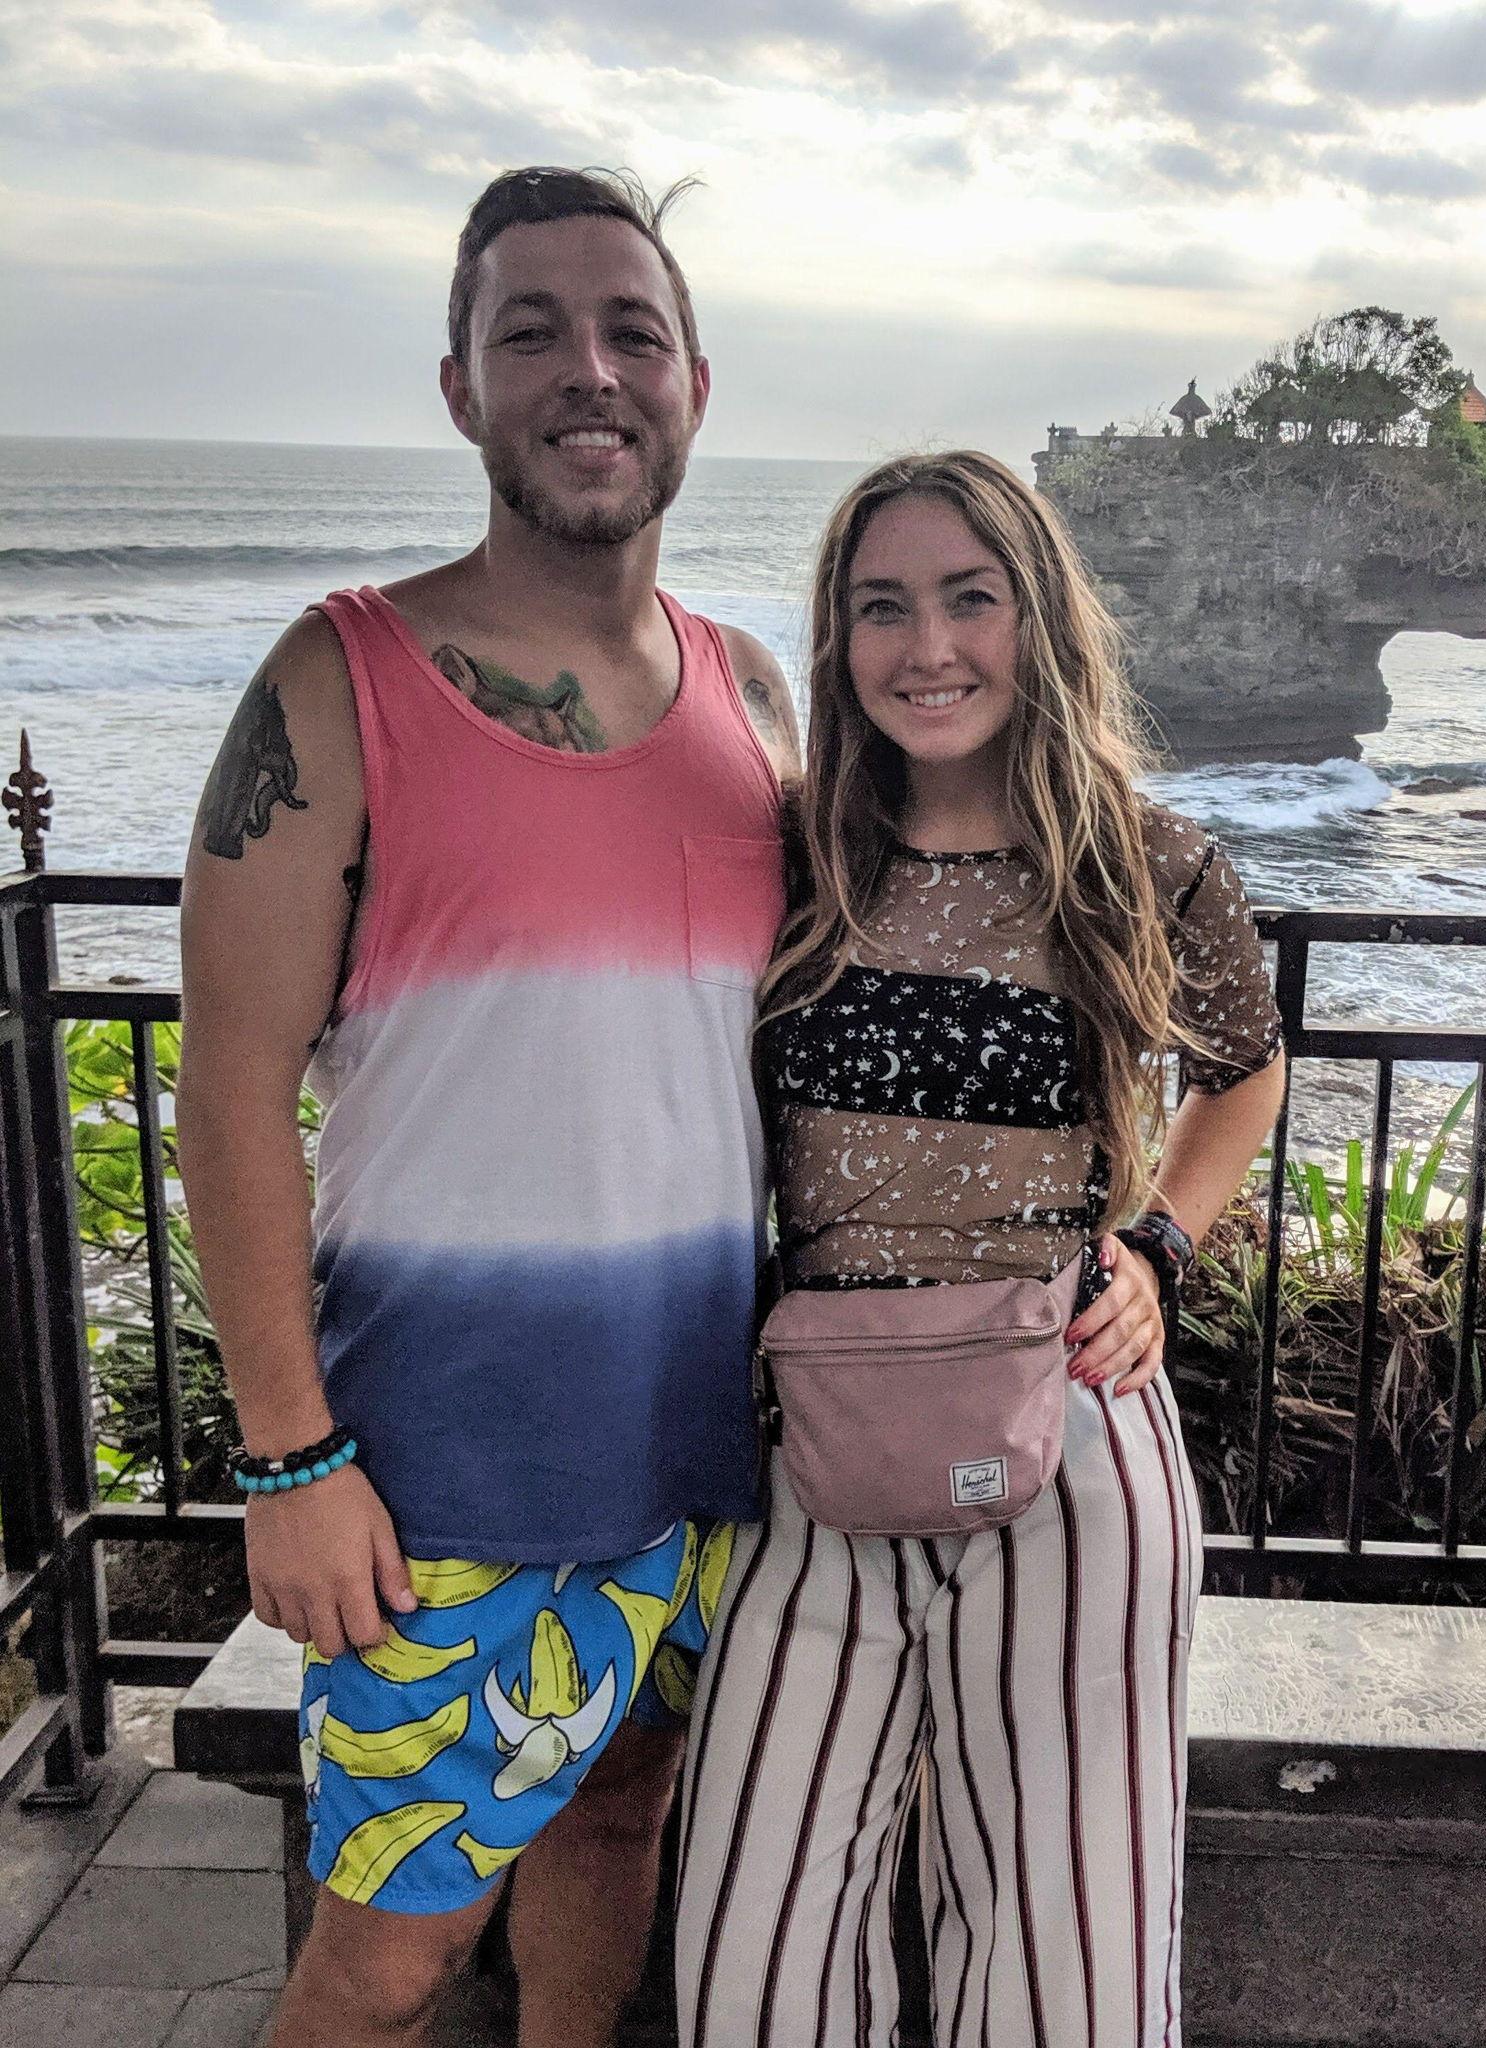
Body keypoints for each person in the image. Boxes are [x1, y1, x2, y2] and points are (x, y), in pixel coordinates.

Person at [177, 166, 803, 2047]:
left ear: (696, 383)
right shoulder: (338, 682)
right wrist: (288, 1461)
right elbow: (227, 1096)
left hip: (702, 1457)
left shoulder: (757, 696)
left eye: (631, 331)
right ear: (460, 388)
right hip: (442, 1476)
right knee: (389, 1964)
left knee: (615, 1829)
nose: (587, 370)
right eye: (530, 331)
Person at [672, 450, 1287, 2044]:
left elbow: (1245, 1066)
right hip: (814, 1446)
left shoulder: (1145, 864)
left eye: (970, 598)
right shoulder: (790, 854)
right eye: (884, 607)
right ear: (839, 637)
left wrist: (1157, 1247)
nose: (928, 646)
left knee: (1068, 1976)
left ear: (1039, 620)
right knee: (752, 1966)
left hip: (1070, 1432)